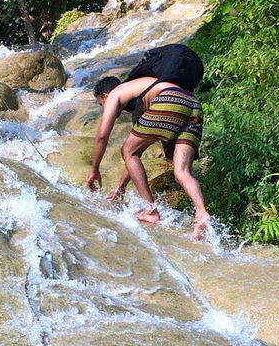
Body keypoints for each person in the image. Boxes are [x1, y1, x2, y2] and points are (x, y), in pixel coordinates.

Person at [86, 75, 211, 239]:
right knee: (181, 171)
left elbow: (102, 136)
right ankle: (201, 212)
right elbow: (135, 155)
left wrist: (94, 169)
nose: (104, 108)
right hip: (193, 103)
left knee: (127, 150)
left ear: (105, 96)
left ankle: (150, 210)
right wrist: (121, 186)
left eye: (101, 104)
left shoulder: (115, 94)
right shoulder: (142, 98)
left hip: (170, 99)